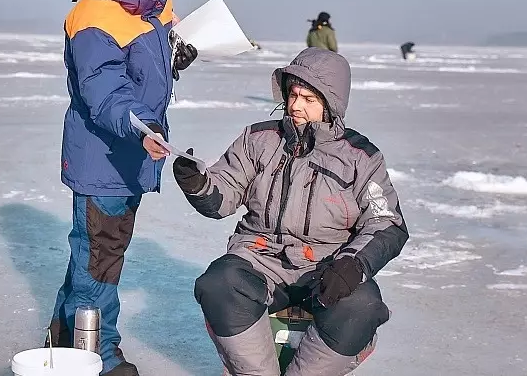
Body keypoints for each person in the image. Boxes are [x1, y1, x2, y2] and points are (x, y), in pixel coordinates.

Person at [173, 47, 408, 376]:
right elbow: (222, 196)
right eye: (293, 94)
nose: (295, 105)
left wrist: (353, 265)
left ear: (330, 104)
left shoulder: (361, 158)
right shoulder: (259, 139)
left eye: (308, 99)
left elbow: (387, 224)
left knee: (362, 306)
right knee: (218, 284)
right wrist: (197, 182)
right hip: (260, 258)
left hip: (328, 266)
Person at [47, 0, 197, 375]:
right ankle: (99, 355)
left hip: (132, 154)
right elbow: (104, 90)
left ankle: (62, 337)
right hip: (104, 156)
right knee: (100, 258)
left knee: (96, 251)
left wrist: (175, 56)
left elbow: (143, 67)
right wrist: (142, 126)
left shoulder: (153, 6)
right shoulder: (94, 15)